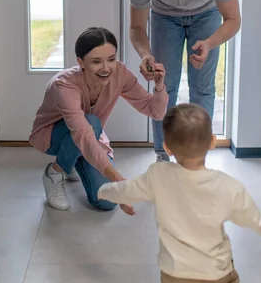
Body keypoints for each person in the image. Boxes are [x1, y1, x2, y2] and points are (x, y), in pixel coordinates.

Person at [98, 103, 261, 283]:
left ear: (167, 147)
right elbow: (253, 218)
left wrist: (104, 191)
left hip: (175, 270)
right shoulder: (228, 186)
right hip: (217, 269)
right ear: (212, 142)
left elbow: (126, 190)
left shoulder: (157, 175)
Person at [129, 0, 241, 161]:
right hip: (164, 15)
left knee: (202, 86)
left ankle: (196, 156)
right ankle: (162, 154)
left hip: (206, 12)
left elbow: (233, 19)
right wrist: (145, 55)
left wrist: (209, 43)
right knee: (164, 84)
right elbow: (137, 27)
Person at [29, 27, 168, 212]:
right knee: (92, 123)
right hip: (53, 136)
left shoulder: (119, 73)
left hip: (87, 136)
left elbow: (155, 112)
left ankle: (71, 159)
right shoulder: (64, 86)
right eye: (96, 62)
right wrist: (118, 179)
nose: (106, 68)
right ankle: (55, 172)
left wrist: (159, 86)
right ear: (81, 62)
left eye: (111, 59)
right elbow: (83, 133)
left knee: (107, 202)